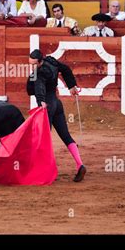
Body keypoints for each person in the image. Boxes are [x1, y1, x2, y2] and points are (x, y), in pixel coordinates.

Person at [27, 49, 87, 182]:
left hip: (47, 106)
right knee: (66, 136)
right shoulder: (51, 62)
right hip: (56, 104)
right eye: (30, 64)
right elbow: (65, 69)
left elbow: (39, 87)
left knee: (42, 140)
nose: (32, 67)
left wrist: (41, 101)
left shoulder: (39, 72)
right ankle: (79, 164)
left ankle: (44, 171)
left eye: (34, 64)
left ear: (40, 61)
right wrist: (72, 85)